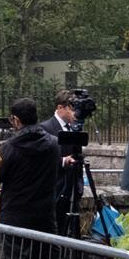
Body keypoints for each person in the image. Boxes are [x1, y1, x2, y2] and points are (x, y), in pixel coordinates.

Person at [0, 97, 71, 259]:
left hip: (15, 213)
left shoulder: (9, 148)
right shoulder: (53, 143)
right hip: (44, 212)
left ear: (16, 120)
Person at [39, 90, 83, 235]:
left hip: (72, 188)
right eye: (71, 108)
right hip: (55, 188)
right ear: (60, 107)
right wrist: (64, 161)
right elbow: (42, 159)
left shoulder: (75, 127)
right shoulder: (45, 128)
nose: (74, 113)